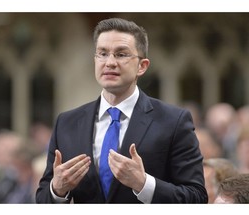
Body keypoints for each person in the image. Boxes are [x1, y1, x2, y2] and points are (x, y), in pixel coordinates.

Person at [36, 17, 208, 203]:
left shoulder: (173, 121)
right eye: (102, 53)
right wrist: (57, 189)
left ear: (142, 66)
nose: (109, 62)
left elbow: (196, 197)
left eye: (121, 54)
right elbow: (43, 198)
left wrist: (144, 184)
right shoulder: (67, 122)